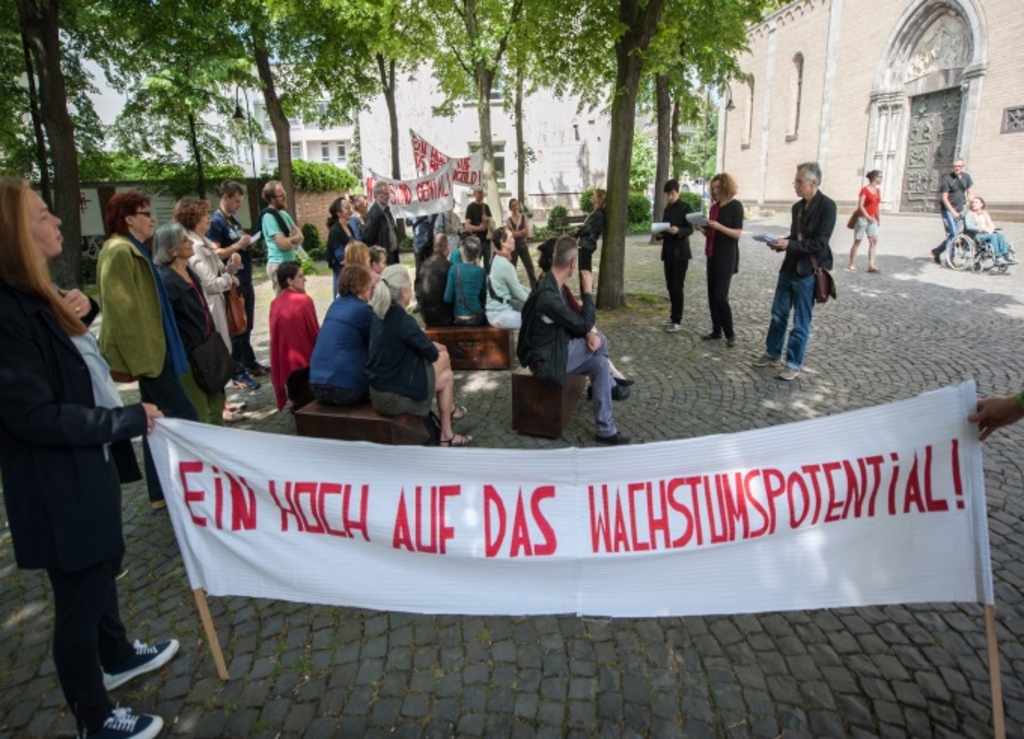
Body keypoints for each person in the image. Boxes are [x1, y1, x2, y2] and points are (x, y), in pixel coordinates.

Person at [0, 177, 178, 739]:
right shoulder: (6, 312)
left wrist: (88, 305)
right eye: (44, 217)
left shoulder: (34, 294)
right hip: (56, 482)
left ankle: (118, 651)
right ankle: (93, 716)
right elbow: (35, 414)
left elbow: (69, 356)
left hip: (84, 465)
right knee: (78, 594)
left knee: (102, 565)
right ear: (12, 234)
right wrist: (125, 420)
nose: (57, 223)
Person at [96, 192, 198, 509]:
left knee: (155, 420)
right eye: (145, 212)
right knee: (186, 416)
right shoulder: (118, 251)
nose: (152, 218)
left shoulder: (133, 249)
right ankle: (193, 485)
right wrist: (144, 363)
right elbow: (121, 312)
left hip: (157, 350)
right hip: (150, 356)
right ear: (128, 219)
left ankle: (159, 493)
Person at [518, 235, 629, 445]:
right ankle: (610, 386)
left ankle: (605, 429)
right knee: (601, 341)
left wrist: (586, 333)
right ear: (572, 263)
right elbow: (583, 323)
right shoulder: (549, 295)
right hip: (546, 359)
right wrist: (588, 291)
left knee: (600, 363)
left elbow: (576, 324)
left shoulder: (554, 283)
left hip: (555, 347)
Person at [367, 265, 472, 446]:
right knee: (444, 356)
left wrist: (428, 344)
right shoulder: (402, 319)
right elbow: (431, 353)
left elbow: (405, 342)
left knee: (446, 378)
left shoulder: (380, 312)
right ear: (403, 292)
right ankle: (449, 419)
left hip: (377, 392)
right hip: (394, 397)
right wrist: (433, 346)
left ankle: (446, 435)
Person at [754, 162, 836, 381]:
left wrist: (789, 245)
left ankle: (793, 362)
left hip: (809, 271)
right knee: (778, 313)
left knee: (801, 321)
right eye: (796, 181)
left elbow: (819, 243)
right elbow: (797, 238)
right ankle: (772, 353)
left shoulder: (828, 206)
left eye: (799, 182)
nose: (796, 186)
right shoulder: (797, 208)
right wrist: (780, 242)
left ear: (814, 182)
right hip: (789, 267)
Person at [175, 197, 243, 424]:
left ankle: (222, 401)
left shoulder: (202, 241)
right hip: (209, 307)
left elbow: (219, 272)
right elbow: (210, 284)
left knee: (221, 350)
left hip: (216, 305)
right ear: (194, 218)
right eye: (204, 214)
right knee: (214, 353)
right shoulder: (193, 246)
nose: (208, 218)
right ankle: (219, 406)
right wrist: (230, 277)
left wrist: (231, 267)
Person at [536, 238, 633, 393]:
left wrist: (586, 329)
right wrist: (587, 292)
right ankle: (609, 380)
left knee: (594, 337)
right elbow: (578, 318)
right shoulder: (551, 288)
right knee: (598, 338)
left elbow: (572, 313)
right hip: (554, 350)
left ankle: (608, 380)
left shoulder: (549, 281)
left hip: (559, 337)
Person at [154, 224, 228, 426]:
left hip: (207, 349)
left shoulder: (189, 273)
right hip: (188, 356)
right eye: (184, 240)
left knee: (216, 405)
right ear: (172, 249)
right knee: (200, 412)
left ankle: (217, 453)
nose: (190, 243)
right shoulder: (165, 281)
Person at [206, 180, 265, 391]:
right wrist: (237, 246)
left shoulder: (233, 220)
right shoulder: (216, 222)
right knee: (237, 326)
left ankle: (249, 361)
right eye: (237, 201)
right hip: (232, 282)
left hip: (245, 278)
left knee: (247, 323)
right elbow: (216, 253)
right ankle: (238, 371)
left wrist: (248, 243)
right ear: (226, 197)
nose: (240, 205)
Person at [309, 265, 375, 407]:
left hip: (317, 386)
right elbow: (377, 344)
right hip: (347, 389)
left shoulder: (335, 305)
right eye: (370, 286)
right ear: (362, 286)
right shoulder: (363, 310)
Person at [696, 173, 744, 346]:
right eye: (713, 188)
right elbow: (712, 233)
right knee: (711, 294)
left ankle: (730, 333)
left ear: (726, 187)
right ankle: (716, 330)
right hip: (712, 254)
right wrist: (702, 229)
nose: (715, 191)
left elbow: (737, 233)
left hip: (727, 255)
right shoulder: (714, 208)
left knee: (721, 295)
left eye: (718, 188)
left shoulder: (735, 206)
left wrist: (718, 226)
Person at [269, 263, 320, 411]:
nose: (305, 279)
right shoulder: (304, 300)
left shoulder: (275, 303)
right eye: (300, 276)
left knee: (299, 401)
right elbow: (314, 332)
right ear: (289, 281)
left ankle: (294, 403)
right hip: (304, 361)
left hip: (286, 361)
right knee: (309, 405)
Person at [654, 179, 694, 333]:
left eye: (672, 194)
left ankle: (677, 319)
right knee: (670, 285)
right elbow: (665, 228)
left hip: (680, 252)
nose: (669, 197)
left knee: (677, 286)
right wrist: (659, 234)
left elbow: (689, 229)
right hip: (668, 251)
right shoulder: (667, 209)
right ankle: (672, 317)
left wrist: (679, 231)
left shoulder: (686, 207)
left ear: (677, 192)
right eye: (667, 195)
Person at [261, 180, 304, 294]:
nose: (285, 197)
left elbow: (300, 236)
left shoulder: (284, 214)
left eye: (284, 193)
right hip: (278, 265)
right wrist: (293, 241)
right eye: (281, 195)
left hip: (290, 263)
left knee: (298, 297)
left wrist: (290, 241)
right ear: (272, 198)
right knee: (284, 303)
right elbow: (283, 245)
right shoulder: (268, 217)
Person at [486, 227, 531, 329]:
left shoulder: (498, 258)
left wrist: (533, 293)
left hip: (497, 311)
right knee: (536, 320)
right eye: (511, 237)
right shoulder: (505, 264)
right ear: (503, 242)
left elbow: (516, 285)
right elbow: (518, 293)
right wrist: (537, 301)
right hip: (499, 314)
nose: (514, 240)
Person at [931, 158, 973, 264]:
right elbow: (944, 198)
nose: (956, 168)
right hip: (948, 210)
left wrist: (972, 202)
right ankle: (952, 259)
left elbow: (970, 192)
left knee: (953, 235)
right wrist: (952, 212)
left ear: (962, 166)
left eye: (959, 166)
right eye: (955, 166)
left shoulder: (966, 177)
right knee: (953, 234)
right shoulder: (947, 178)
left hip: (960, 209)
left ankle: (937, 251)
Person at [444, 238, 487, 325]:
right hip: (476, 316)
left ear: (463, 252)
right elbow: (483, 297)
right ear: (477, 255)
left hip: (458, 317)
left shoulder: (454, 269)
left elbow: (447, 298)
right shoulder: (481, 272)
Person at [416, 233, 455, 327]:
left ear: (434, 248)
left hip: (426, 316)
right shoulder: (449, 266)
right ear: (447, 247)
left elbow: (417, 291)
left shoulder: (424, 265)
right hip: (444, 317)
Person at [965, 196, 1017, 266]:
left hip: (987, 234)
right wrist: (982, 229)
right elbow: (969, 226)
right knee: (993, 237)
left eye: (976, 202)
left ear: (981, 204)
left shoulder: (985, 213)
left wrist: (991, 230)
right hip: (977, 235)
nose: (974, 204)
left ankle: (1006, 255)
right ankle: (997, 257)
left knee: (1000, 234)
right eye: (973, 202)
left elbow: (990, 223)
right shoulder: (969, 214)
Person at [848, 170, 882, 272]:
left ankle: (871, 265)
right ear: (874, 177)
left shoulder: (878, 191)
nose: (881, 179)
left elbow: (877, 206)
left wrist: (878, 217)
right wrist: (867, 216)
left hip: (873, 219)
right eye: (880, 177)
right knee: (857, 241)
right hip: (863, 219)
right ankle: (852, 263)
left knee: (874, 241)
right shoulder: (864, 190)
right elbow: (861, 205)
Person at [362, 181, 399, 265]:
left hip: (392, 254)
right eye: (385, 194)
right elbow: (368, 238)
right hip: (382, 257)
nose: (387, 197)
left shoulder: (387, 211)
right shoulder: (374, 214)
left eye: (388, 194)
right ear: (377, 195)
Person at [327, 197, 354, 299]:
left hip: (351, 271)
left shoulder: (349, 227)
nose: (350, 209)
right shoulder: (335, 231)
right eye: (347, 207)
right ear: (339, 213)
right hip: (342, 274)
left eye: (350, 206)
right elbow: (341, 258)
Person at [575, 188, 606, 277]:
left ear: (599, 198)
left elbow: (589, 229)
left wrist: (578, 231)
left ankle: (587, 290)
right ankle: (586, 289)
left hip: (587, 244)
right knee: (584, 271)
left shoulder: (598, 214)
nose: (592, 197)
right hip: (585, 244)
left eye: (594, 195)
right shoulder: (596, 212)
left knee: (585, 271)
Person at [506, 198, 536, 288]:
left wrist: (516, 233)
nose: (515, 207)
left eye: (516, 205)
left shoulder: (523, 217)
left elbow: (526, 232)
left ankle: (534, 287)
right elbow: (510, 235)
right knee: (512, 269)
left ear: (518, 206)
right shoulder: (509, 220)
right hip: (513, 247)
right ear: (510, 208)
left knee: (530, 267)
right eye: (512, 206)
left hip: (523, 246)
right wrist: (520, 232)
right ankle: (513, 287)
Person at [464, 186, 493, 269]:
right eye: (479, 193)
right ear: (474, 194)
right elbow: (467, 225)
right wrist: (478, 228)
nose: (481, 195)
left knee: (488, 265)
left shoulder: (486, 207)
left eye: (482, 192)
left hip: (487, 241)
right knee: (475, 264)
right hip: (476, 241)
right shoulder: (470, 207)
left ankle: (487, 280)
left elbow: (491, 222)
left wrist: (487, 219)